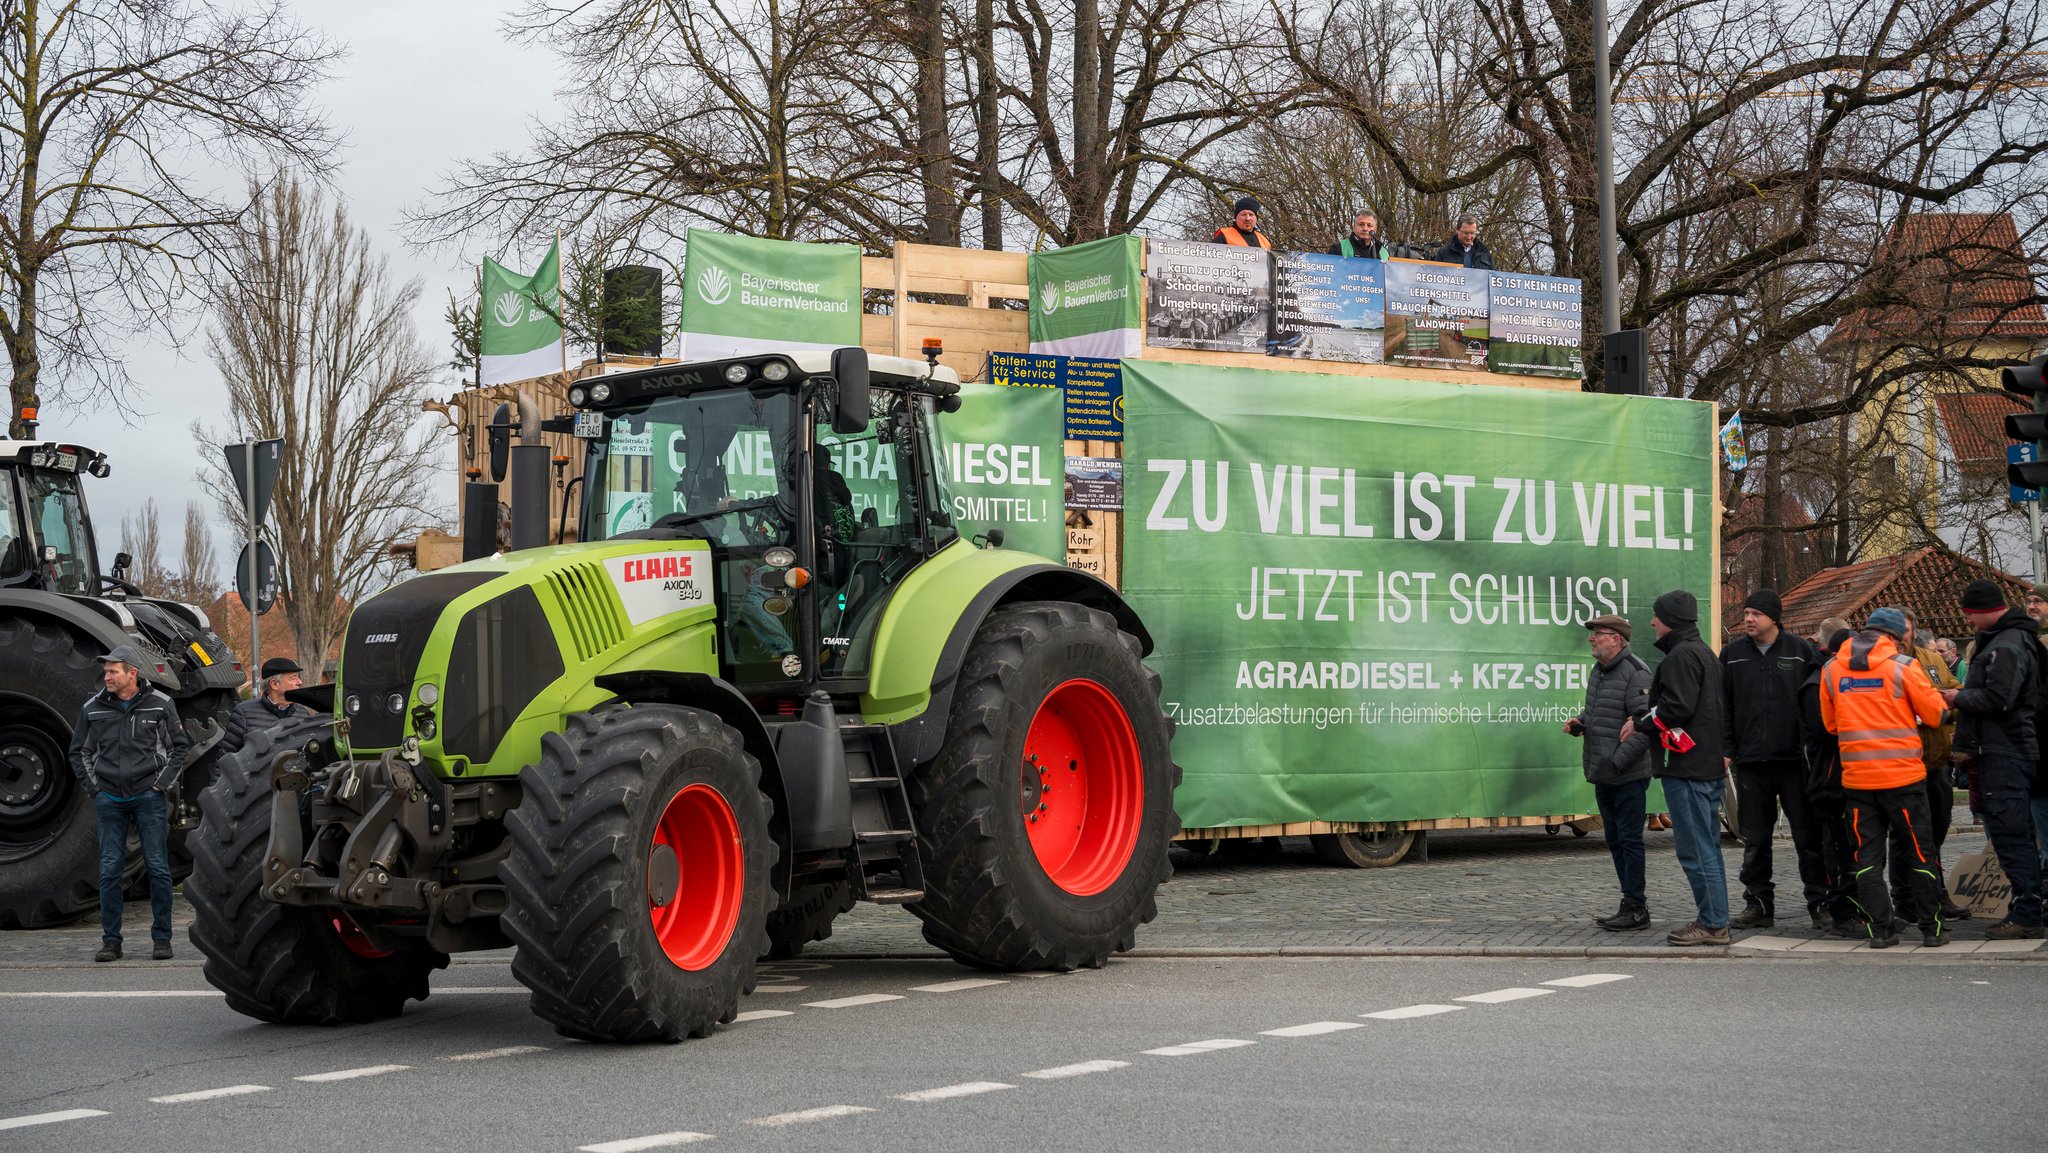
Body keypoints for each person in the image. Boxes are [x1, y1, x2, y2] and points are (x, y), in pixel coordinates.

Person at [1819, 608, 1952, 947]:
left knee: (1867, 860)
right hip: (1904, 779)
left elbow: (1831, 725)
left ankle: (1880, 931)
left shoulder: (1832, 669)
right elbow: (1936, 715)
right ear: (1893, 636)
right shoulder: (1904, 667)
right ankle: (1931, 931)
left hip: (1859, 783)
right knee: (1919, 854)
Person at [66, 644, 188, 962]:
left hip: (149, 798)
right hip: (110, 801)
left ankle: (162, 939)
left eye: (112, 671)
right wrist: (96, 790)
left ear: (132, 673)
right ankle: (111, 941)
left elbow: (179, 748)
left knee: (158, 869)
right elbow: (79, 752)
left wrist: (160, 785)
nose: (106, 676)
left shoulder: (160, 705)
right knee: (109, 872)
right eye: (105, 671)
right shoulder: (92, 709)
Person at [1620, 589, 1729, 946]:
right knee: (1707, 846)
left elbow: (1675, 708)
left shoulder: (1680, 658)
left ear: (1670, 620)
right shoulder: (1705, 654)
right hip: (1705, 764)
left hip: (1687, 767)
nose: (1651, 621)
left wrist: (1641, 721)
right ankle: (1714, 917)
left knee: (1696, 848)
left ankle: (1713, 923)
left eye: (1656, 615)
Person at [1944, 579, 2046, 939]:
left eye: (1970, 615)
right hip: (2005, 748)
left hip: (2005, 750)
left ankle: (2027, 913)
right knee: (2011, 833)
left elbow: (1999, 698)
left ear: (1985, 610)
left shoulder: (2008, 643)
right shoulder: (2007, 639)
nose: (1968, 622)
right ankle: (2027, 908)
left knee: (2011, 834)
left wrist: (1957, 699)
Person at [1720, 588, 1827, 929]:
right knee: (1756, 839)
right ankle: (1758, 905)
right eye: (1747, 613)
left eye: (1756, 614)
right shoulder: (1732, 655)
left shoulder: (1801, 652)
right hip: (1751, 762)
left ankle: (1819, 903)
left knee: (1807, 838)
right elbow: (1723, 707)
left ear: (1773, 618)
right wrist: (1727, 750)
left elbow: (1817, 703)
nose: (1748, 619)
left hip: (1795, 762)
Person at [1564, 614, 1655, 930]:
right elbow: (1599, 714)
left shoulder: (1636, 673)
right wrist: (1581, 723)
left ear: (1616, 639)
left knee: (1629, 841)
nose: (1591, 638)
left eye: (1598, 633)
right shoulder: (1600, 671)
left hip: (1626, 775)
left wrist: (1616, 762)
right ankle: (1629, 902)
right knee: (1616, 840)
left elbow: (1645, 729)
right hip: (1604, 773)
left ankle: (1636, 907)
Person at [1892, 608, 1968, 923]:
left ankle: (1935, 892)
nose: (1898, 635)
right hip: (1903, 763)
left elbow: (1957, 692)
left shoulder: (1930, 658)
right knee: (1903, 837)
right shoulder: (1886, 663)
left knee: (1935, 831)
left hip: (1936, 760)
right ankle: (1905, 898)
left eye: (1904, 629)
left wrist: (1942, 707)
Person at [1800, 627, 1864, 935]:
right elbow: (1824, 731)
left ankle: (1855, 905)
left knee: (1854, 847)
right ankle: (1841, 909)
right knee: (1837, 850)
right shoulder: (1818, 683)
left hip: (1850, 777)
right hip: (1829, 780)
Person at [220, 657, 316, 755]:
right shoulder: (244, 713)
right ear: (274, 684)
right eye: (293, 678)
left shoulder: (303, 714)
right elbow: (225, 758)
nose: (300, 682)